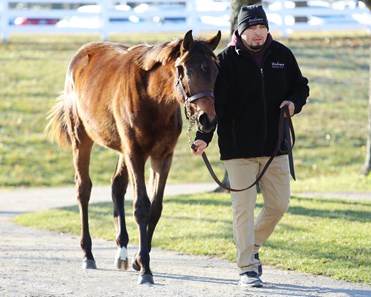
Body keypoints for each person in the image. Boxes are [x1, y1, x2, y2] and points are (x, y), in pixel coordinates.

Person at [192, 4, 309, 288]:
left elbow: (300, 86)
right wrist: (203, 137)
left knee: (279, 205)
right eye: (252, 28)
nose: (258, 33)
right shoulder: (225, 61)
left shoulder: (282, 55)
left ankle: (250, 245)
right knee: (242, 208)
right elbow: (212, 105)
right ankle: (247, 267)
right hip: (238, 149)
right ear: (241, 30)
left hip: (275, 148)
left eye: (262, 27)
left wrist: (294, 103)